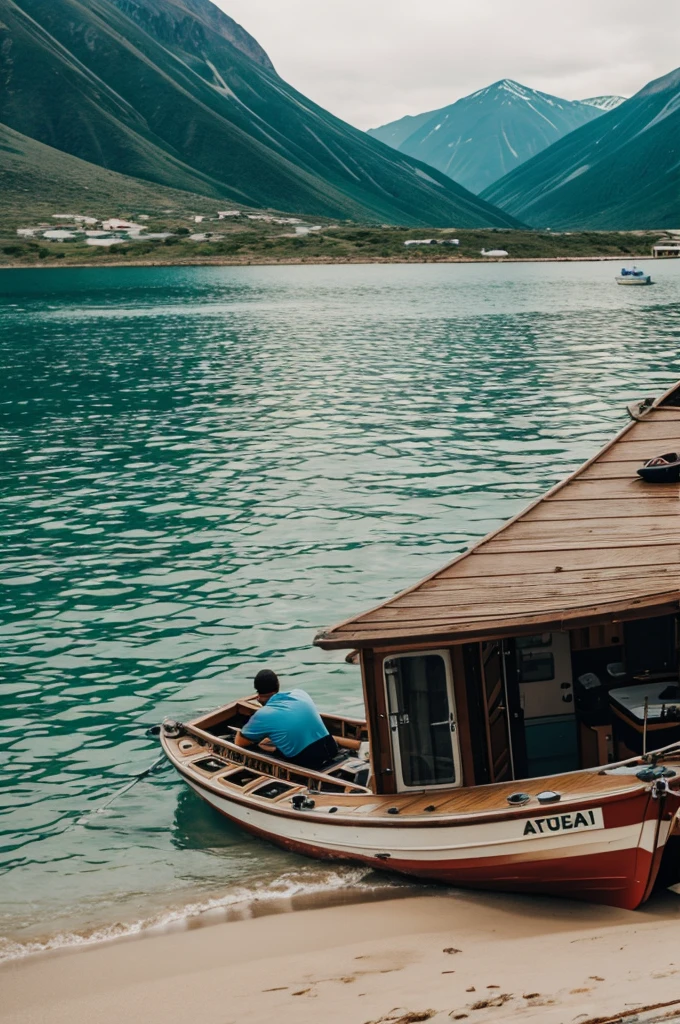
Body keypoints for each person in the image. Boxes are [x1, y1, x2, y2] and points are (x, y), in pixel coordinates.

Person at [235, 669, 339, 770]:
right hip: (331, 747)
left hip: (309, 762)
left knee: (264, 747)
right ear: (278, 684)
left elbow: (240, 742)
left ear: (257, 691)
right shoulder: (300, 694)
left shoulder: (262, 714)